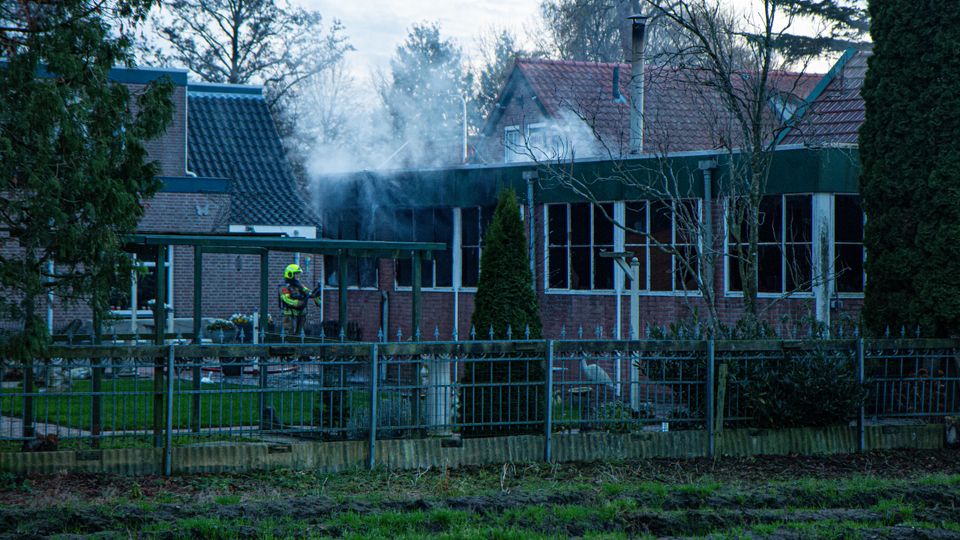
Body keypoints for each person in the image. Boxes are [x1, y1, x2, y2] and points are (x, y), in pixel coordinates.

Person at [277, 263, 318, 336]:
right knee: (289, 333)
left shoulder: (300, 285)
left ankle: (299, 346)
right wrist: (297, 303)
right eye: (296, 274)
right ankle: (288, 346)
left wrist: (315, 293)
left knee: (300, 333)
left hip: (300, 312)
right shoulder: (283, 287)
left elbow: (307, 291)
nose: (298, 276)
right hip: (289, 313)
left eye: (299, 274)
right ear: (289, 274)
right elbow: (286, 298)